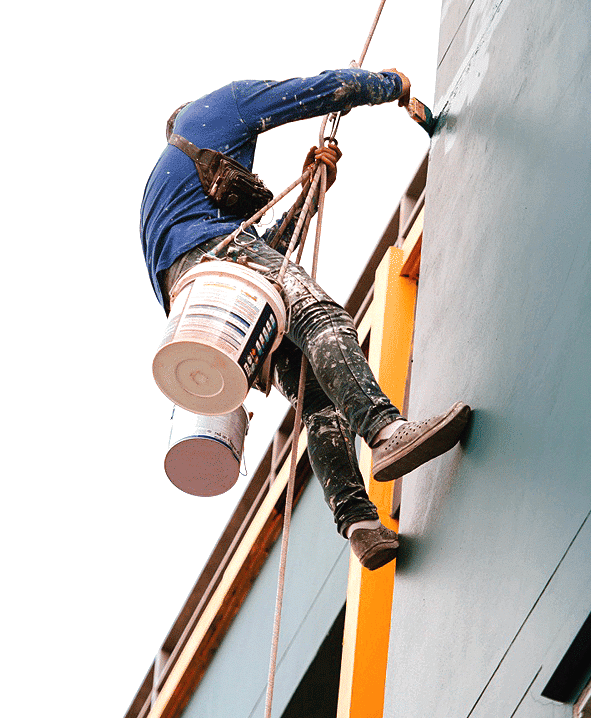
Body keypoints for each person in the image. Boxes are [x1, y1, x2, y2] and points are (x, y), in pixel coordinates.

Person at [141, 67, 470, 570]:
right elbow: (317, 92)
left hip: (208, 302)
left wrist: (312, 194)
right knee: (323, 318)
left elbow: (261, 255)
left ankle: (359, 524)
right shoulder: (218, 109)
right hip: (220, 267)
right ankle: (385, 433)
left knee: (316, 392)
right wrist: (389, 85)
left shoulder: (171, 197)